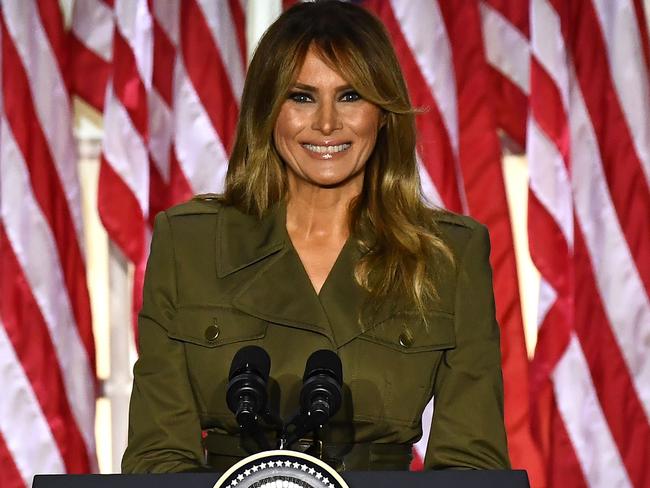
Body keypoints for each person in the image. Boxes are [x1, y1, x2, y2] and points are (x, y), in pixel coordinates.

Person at [122, 0, 510, 473]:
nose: (326, 123)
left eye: (350, 96)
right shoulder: (189, 245)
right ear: (268, 110)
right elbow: (157, 457)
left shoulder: (449, 255)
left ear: (383, 113)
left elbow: (470, 467)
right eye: (301, 96)